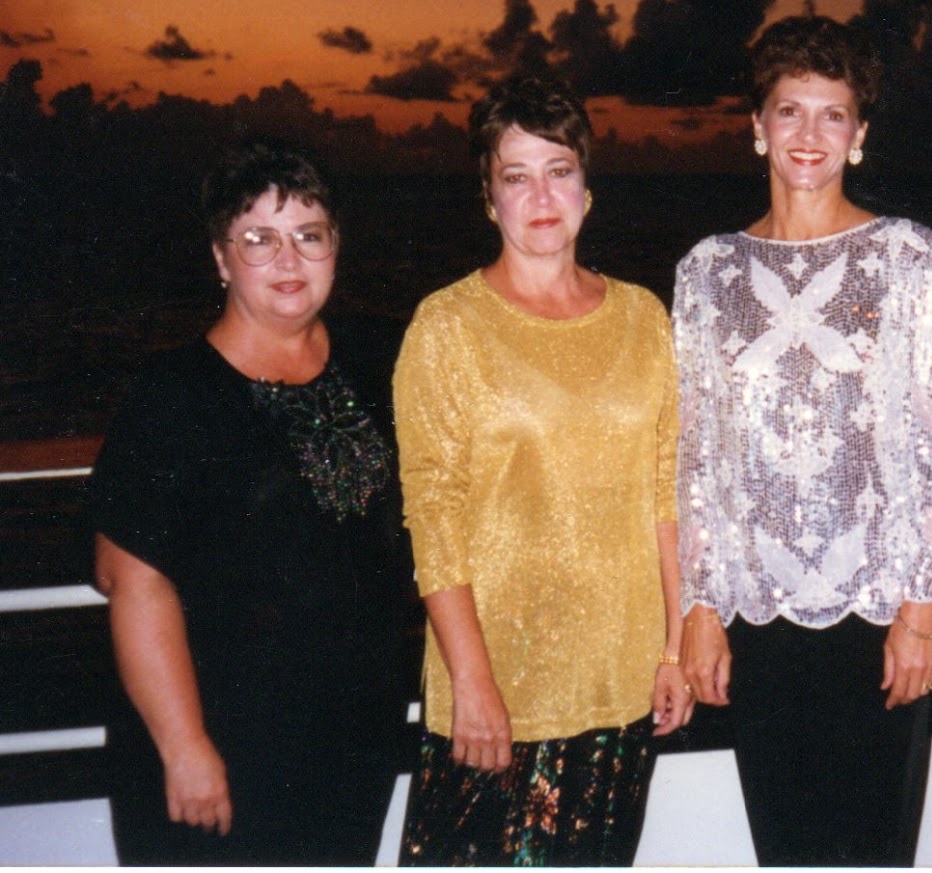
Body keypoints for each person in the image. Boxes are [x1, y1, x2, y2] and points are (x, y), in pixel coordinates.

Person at [673, 15, 932, 866]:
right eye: (790, 110)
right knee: (785, 848)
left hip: (878, 615)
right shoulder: (707, 271)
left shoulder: (912, 257)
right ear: (757, 126)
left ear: (859, 133)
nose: (810, 133)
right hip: (757, 618)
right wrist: (701, 609)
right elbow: (698, 457)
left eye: (832, 113)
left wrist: (922, 612)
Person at [87, 140, 416, 865]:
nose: (288, 259)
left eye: (309, 235)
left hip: (348, 743)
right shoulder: (173, 395)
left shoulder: (379, 358)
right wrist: (184, 746)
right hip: (219, 751)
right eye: (259, 239)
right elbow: (132, 582)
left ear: (336, 246)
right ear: (221, 258)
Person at [394, 76, 689, 867]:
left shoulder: (643, 317)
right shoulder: (447, 326)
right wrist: (471, 681)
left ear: (587, 187)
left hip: (621, 680)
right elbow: (433, 516)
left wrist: (673, 649)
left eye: (559, 170)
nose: (542, 195)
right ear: (489, 199)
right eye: (516, 176)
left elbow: (665, 492)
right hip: (498, 686)